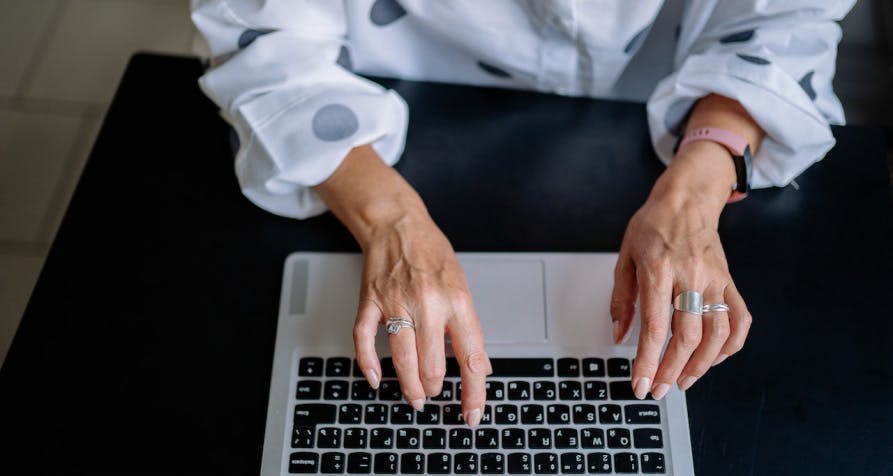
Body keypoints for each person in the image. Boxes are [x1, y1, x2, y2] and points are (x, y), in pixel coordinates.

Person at [191, 0, 854, 427]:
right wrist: (390, 220)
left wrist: (692, 196)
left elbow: (782, 22)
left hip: (651, 102)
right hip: (376, 106)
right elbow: (265, 36)